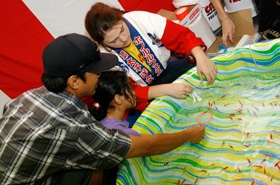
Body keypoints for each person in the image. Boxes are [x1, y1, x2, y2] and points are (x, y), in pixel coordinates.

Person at [0, 33, 205, 185]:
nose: (100, 75)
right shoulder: (74, 124)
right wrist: (189, 134)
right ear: (74, 81)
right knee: (100, 166)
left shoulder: (28, 96)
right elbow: (146, 147)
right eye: (95, 71)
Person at [85, 2, 217, 121]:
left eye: (122, 29)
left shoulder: (139, 19)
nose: (124, 38)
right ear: (101, 43)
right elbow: (128, 93)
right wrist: (167, 90)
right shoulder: (103, 58)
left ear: (121, 17)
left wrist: (201, 57)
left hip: (165, 71)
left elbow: (181, 36)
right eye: (114, 41)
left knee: (200, 66)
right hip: (141, 96)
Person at [89, 70, 141, 184]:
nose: (133, 92)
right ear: (117, 99)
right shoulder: (126, 134)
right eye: (129, 88)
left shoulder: (99, 122)